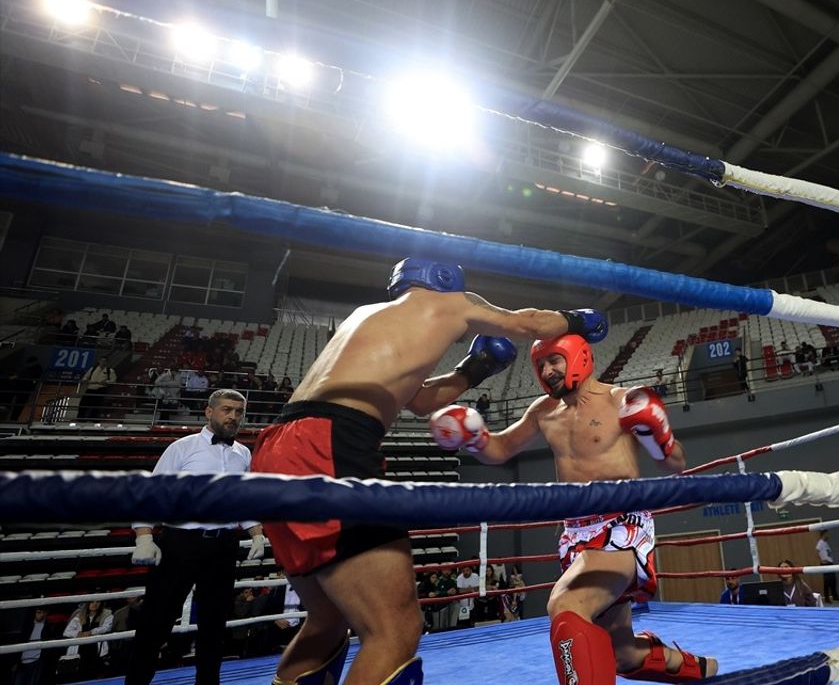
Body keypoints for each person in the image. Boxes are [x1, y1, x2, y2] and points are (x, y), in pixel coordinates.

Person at [251, 258, 607, 685]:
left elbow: (417, 402)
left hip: (278, 445)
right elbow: (527, 324)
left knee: (327, 617)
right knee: (393, 631)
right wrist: (576, 321)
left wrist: (473, 370)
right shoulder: (452, 303)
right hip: (330, 444)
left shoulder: (365, 317)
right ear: (445, 280)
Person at [430, 331, 717, 683]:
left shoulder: (621, 400)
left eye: (554, 360)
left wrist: (660, 436)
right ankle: (702, 669)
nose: (547, 370)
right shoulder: (544, 411)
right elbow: (501, 449)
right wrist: (472, 438)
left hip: (620, 527)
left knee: (566, 606)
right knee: (621, 654)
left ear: (578, 355)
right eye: (540, 364)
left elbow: (675, 464)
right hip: (575, 534)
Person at [126, 389, 266, 685]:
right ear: (209, 412)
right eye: (227, 410)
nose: (233, 417)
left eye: (239, 412)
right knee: (157, 622)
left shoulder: (243, 453)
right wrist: (144, 536)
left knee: (214, 626)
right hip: (180, 543)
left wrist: (256, 534)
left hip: (223, 546)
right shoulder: (182, 447)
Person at [11, 606, 56, 685]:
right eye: (38, 612)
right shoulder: (27, 626)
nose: (41, 615)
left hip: (36, 662)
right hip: (22, 662)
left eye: (43, 613)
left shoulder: (48, 627)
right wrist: (16, 662)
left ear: (46, 613)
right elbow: (20, 642)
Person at [815, 530, 839, 602]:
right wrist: (821, 560)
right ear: (824, 534)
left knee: (833, 580)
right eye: (827, 534)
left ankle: (835, 596)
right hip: (825, 564)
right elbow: (817, 551)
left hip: (830, 562)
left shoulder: (825, 543)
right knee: (827, 581)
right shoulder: (820, 543)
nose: (828, 536)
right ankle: (827, 598)